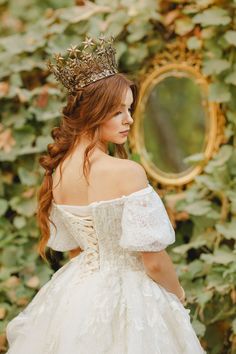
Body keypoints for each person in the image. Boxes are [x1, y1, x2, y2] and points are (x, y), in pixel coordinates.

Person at [5, 35, 206, 354]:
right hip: (134, 294)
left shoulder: (58, 172)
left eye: (129, 109)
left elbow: (74, 251)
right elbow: (153, 262)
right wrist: (177, 296)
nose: (128, 119)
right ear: (92, 112)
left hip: (76, 297)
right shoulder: (127, 172)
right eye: (117, 112)